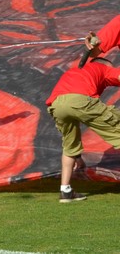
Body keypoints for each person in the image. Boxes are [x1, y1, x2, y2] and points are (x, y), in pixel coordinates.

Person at [46, 57, 120, 202]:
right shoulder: (103, 68)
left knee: (69, 145)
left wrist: (78, 158)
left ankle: (65, 191)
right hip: (80, 100)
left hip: (57, 104)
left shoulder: (75, 70)